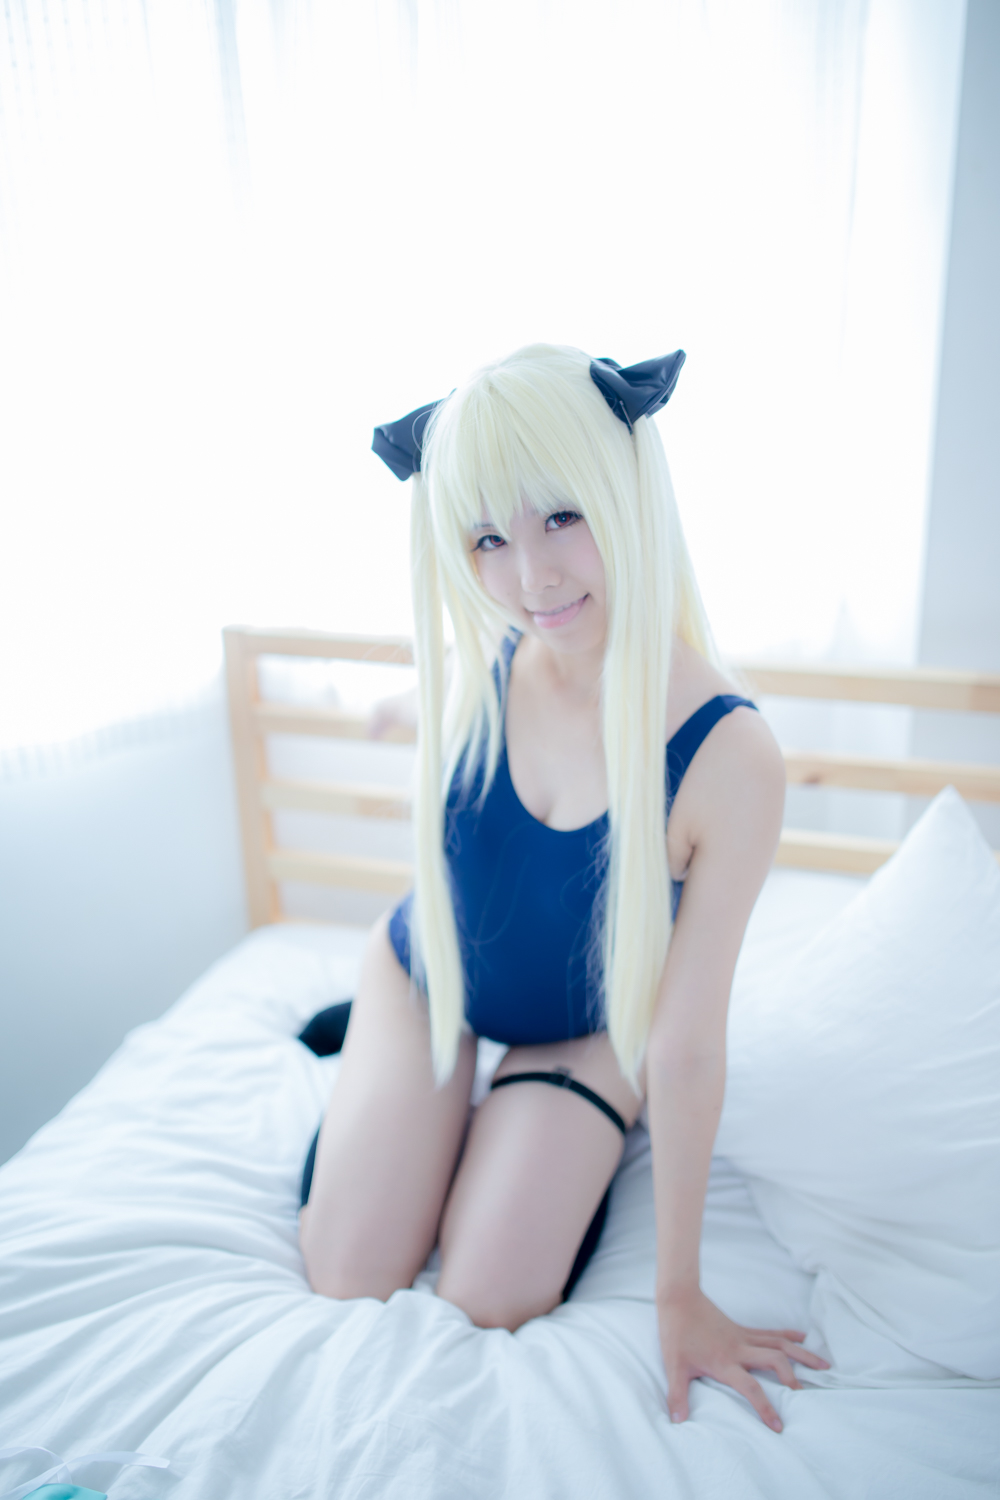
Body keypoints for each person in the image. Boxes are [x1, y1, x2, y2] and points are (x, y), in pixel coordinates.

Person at [298, 343, 829, 1431]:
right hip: (431, 975)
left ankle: (495, 1111)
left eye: (561, 517)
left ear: (624, 492)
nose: (531, 578)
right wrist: (384, 714)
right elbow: (426, 704)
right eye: (488, 538)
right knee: (348, 1272)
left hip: (589, 1024)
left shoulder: (727, 757)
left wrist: (679, 1293)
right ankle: (380, 1058)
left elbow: (686, 1046)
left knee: (489, 1293)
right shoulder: (483, 662)